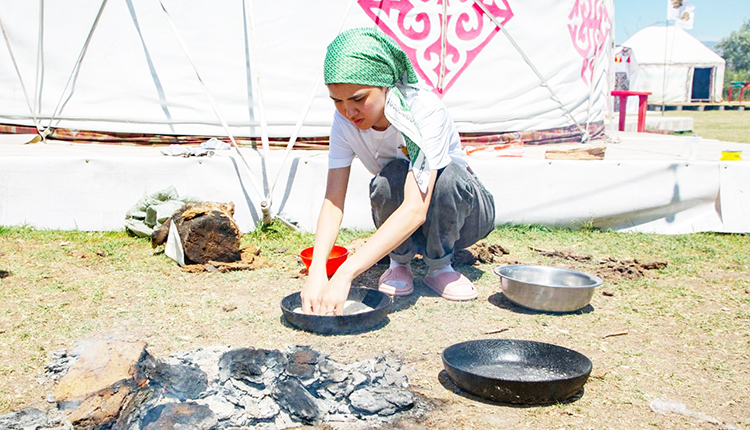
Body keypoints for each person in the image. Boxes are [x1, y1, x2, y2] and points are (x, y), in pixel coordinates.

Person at [301, 27, 495, 316]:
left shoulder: (424, 110)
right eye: (337, 101)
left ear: (386, 86)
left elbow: (417, 208)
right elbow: (333, 201)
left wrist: (345, 273)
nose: (348, 111)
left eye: (358, 99)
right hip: (412, 216)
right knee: (388, 178)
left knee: (445, 176)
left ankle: (440, 265)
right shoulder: (343, 122)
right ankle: (399, 262)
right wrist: (317, 271)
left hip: (464, 213)